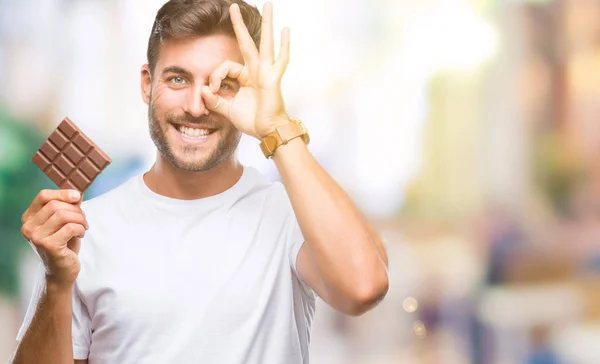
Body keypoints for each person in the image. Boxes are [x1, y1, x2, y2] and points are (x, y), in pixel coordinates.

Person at [12, 0, 389, 363]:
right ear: (147, 83)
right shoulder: (86, 232)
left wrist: (275, 126)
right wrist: (57, 283)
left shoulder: (291, 215)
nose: (196, 106)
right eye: (178, 79)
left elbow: (363, 289)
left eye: (222, 83)